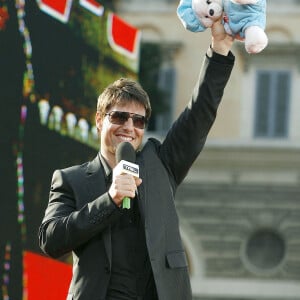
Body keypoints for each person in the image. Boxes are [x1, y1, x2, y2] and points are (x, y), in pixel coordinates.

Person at [38, 19, 235, 300]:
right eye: (119, 116)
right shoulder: (71, 179)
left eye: (139, 120)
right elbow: (50, 239)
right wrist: (111, 199)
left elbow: (199, 112)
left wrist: (220, 49)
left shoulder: (161, 162)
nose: (129, 127)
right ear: (99, 120)